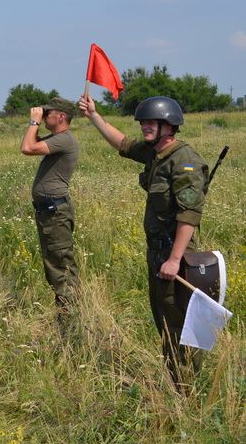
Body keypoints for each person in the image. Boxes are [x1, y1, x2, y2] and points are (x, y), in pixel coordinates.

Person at [78, 94, 208, 387]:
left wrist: (175, 259)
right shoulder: (155, 153)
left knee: (178, 322)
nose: (144, 126)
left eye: (151, 122)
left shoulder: (184, 160)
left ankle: (188, 386)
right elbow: (123, 144)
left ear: (169, 125)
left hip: (177, 257)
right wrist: (94, 115)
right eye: (143, 122)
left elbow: (188, 216)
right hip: (158, 255)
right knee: (163, 320)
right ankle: (175, 382)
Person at [20, 97, 80, 325]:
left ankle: (70, 315)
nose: (44, 117)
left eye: (48, 113)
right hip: (50, 211)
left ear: (61, 116)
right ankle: (66, 310)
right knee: (54, 261)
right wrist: (36, 124)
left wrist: (34, 122)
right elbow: (30, 143)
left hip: (55, 212)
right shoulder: (58, 139)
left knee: (60, 263)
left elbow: (27, 148)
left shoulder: (64, 139)